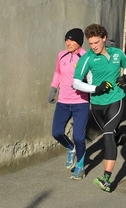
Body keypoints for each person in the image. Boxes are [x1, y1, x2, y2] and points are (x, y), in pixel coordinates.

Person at [73, 23, 126, 192]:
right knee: (112, 135)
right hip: (97, 105)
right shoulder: (87, 58)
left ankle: (106, 178)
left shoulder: (117, 53)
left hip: (116, 100)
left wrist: (125, 77)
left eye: (96, 42)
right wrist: (95, 88)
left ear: (104, 39)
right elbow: (75, 82)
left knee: (108, 135)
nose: (94, 46)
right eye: (90, 43)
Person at [48, 28, 89, 180]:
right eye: (66, 39)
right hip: (63, 102)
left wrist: (84, 82)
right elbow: (58, 73)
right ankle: (70, 148)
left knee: (79, 137)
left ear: (79, 42)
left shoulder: (86, 56)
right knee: (56, 132)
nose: (68, 43)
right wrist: (53, 88)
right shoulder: (61, 55)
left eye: (71, 40)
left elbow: (92, 76)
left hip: (81, 102)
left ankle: (80, 166)